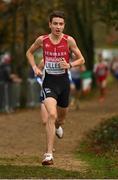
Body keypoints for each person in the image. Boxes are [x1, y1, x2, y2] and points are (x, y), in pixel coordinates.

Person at [26, 10, 85, 165]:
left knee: (61, 119)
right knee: (51, 115)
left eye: (61, 24)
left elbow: (82, 59)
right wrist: (34, 68)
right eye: (55, 23)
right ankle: (48, 154)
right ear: (50, 25)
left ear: (64, 25)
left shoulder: (69, 41)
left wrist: (70, 64)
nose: (58, 26)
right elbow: (29, 53)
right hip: (49, 82)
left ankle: (58, 126)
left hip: (64, 83)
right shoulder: (42, 40)